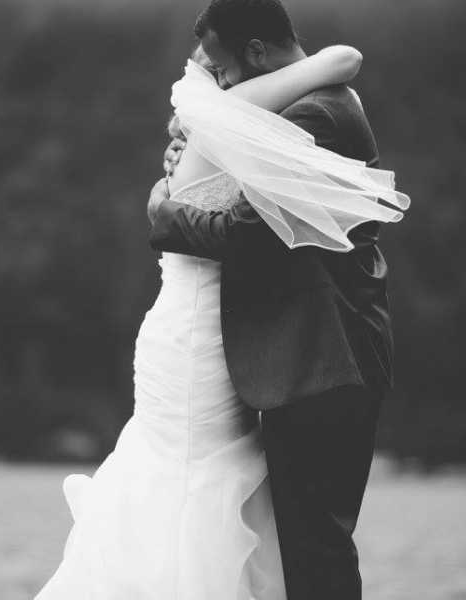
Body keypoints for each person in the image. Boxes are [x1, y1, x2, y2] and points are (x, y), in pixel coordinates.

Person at [33, 36, 380, 600]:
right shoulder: (223, 130)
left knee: (192, 485)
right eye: (219, 73)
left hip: (206, 338)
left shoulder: (219, 139)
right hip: (197, 341)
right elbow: (341, 61)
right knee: (188, 486)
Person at [147, 1, 409, 598]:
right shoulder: (307, 102)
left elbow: (245, 231)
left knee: (315, 544)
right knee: (304, 542)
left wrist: (164, 212)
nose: (225, 81)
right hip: (313, 357)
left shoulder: (315, 114)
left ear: (258, 52)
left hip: (327, 358)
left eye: (224, 66)